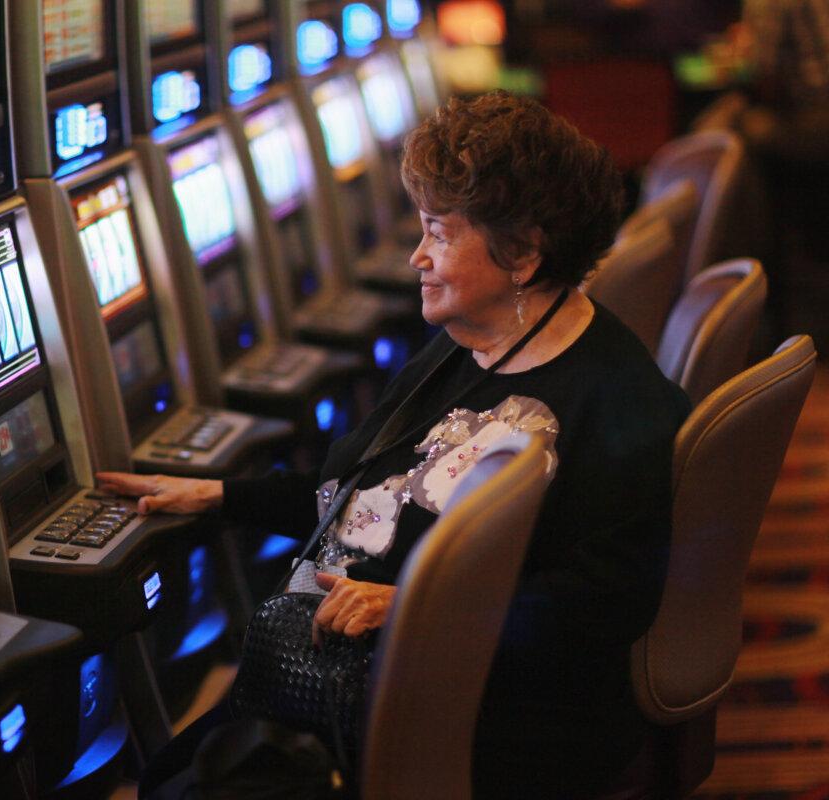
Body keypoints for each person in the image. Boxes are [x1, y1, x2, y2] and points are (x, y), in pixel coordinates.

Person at [99, 91, 691, 798]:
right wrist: (223, 495)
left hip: (469, 713)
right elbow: (363, 501)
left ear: (524, 255)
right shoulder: (463, 346)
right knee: (172, 771)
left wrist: (414, 605)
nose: (417, 256)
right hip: (345, 673)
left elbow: (603, 605)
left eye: (439, 234)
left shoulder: (620, 402)